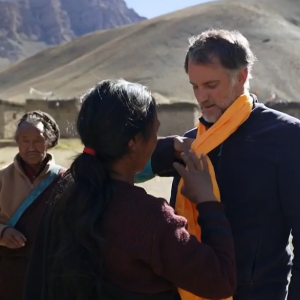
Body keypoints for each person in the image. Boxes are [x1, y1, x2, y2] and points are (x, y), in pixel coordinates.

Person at [24, 79, 236, 300]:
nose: (157, 140)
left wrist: (167, 149)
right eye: (155, 133)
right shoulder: (148, 220)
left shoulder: (64, 195)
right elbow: (220, 281)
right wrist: (207, 202)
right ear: (134, 141)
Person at [135, 29, 300, 300]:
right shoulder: (191, 143)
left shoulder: (287, 137)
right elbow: (124, 167)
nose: (201, 97)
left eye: (211, 85)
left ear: (242, 76)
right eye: (194, 86)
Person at [0, 111, 65, 300]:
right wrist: (2, 233)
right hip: (7, 275)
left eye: (38, 140)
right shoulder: (2, 178)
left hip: (50, 274)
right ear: (18, 142)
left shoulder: (66, 180)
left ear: (49, 141)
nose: (31, 146)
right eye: (25, 140)